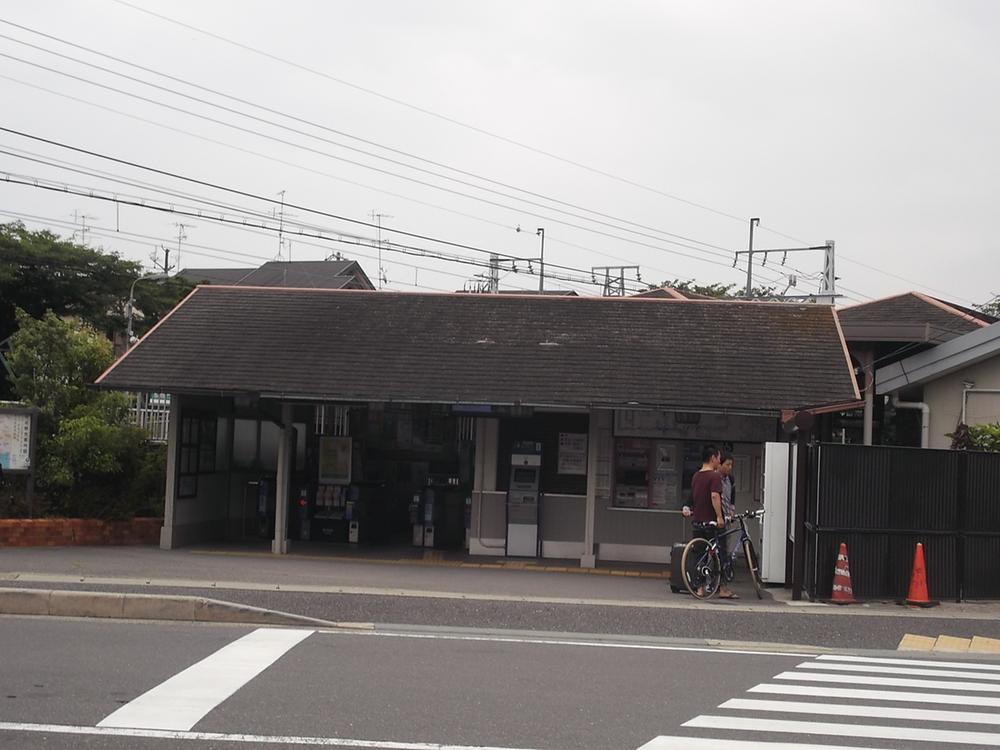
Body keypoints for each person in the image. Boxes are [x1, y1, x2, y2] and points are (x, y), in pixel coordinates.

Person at [690, 443, 737, 599]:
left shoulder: (696, 475)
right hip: (712, 523)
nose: (719, 460)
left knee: (699, 555)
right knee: (721, 554)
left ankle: (700, 589)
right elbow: (715, 496)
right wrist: (719, 517)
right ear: (712, 458)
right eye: (718, 457)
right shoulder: (714, 476)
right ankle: (722, 588)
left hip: (697, 521)